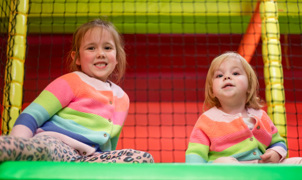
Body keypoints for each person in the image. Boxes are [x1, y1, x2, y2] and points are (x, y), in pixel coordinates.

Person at [0, 19, 154, 163]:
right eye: (91, 48)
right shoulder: (72, 81)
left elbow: (110, 141)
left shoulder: (122, 98)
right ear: (77, 58)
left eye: (107, 48)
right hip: (58, 145)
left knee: (142, 158)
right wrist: (19, 143)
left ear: (117, 56)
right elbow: (32, 114)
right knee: (43, 147)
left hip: (89, 159)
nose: (101, 53)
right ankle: (8, 147)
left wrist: (108, 162)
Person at [185, 51, 302, 164]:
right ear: (212, 91)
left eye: (235, 73)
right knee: (224, 162)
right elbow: (195, 152)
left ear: (249, 86)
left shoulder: (260, 115)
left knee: (299, 162)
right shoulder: (208, 119)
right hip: (227, 172)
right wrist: (196, 175)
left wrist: (275, 152)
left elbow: (278, 142)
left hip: (262, 168)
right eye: (219, 75)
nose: (227, 77)